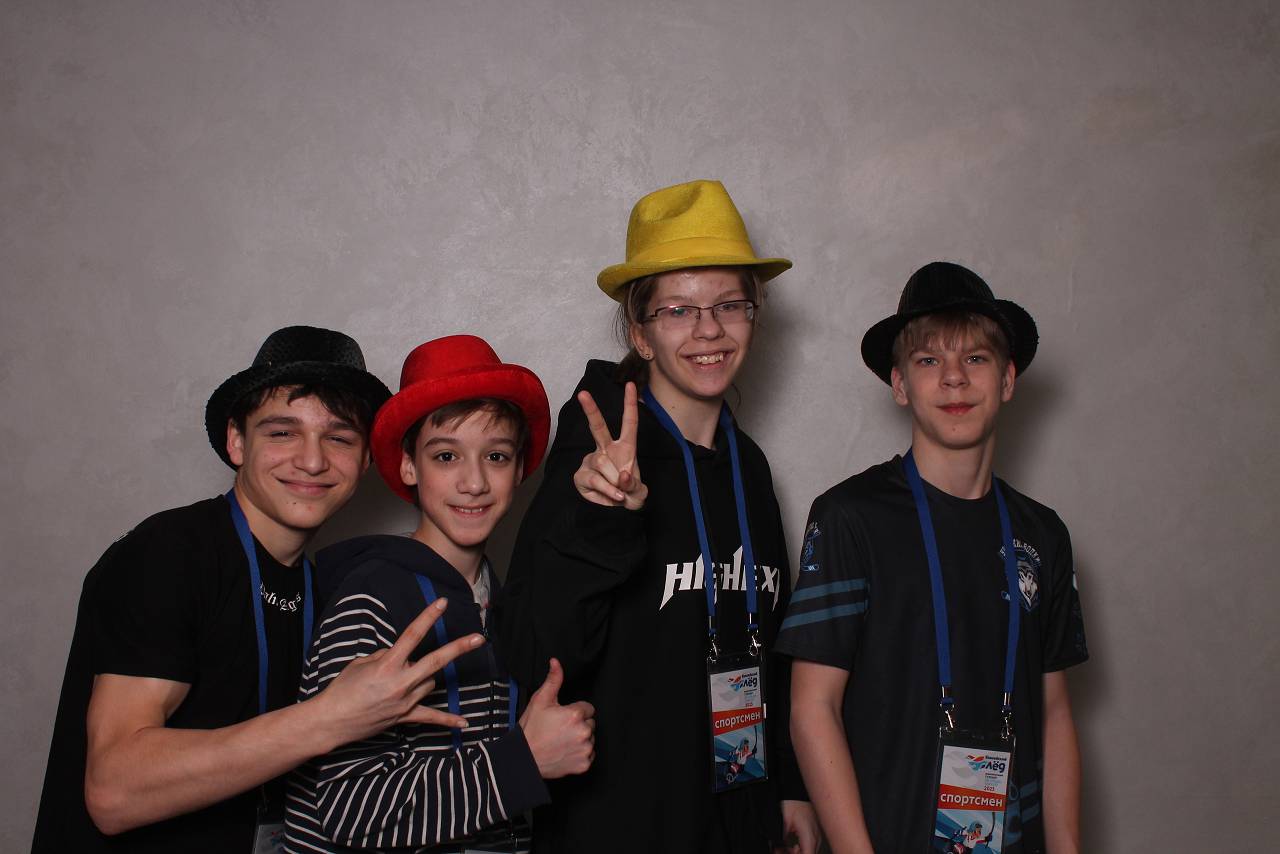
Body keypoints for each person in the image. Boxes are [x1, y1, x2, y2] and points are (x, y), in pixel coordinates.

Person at [32, 326, 484, 853]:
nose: (312, 461)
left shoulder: (326, 584)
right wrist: (330, 718)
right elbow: (114, 791)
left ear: (365, 460)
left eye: (339, 438)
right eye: (282, 432)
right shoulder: (169, 552)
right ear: (237, 442)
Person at [495, 180, 820, 854]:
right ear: (640, 333)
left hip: (738, 811)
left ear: (754, 316)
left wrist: (789, 786)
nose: (709, 329)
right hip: (623, 824)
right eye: (678, 310)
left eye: (729, 304)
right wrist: (598, 520)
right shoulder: (597, 457)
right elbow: (536, 655)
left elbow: (773, 643)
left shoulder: (748, 466)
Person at [778, 262, 1089, 853]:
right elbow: (812, 708)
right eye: (928, 361)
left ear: (1008, 379)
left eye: (975, 358)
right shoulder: (850, 518)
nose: (954, 379)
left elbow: (1054, 712)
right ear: (899, 385)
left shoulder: (1043, 534)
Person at [284, 335, 596, 853]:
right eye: (446, 456)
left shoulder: (501, 598)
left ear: (520, 469)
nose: (474, 482)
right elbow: (345, 809)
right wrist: (524, 761)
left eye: (496, 456)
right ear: (409, 466)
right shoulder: (373, 598)